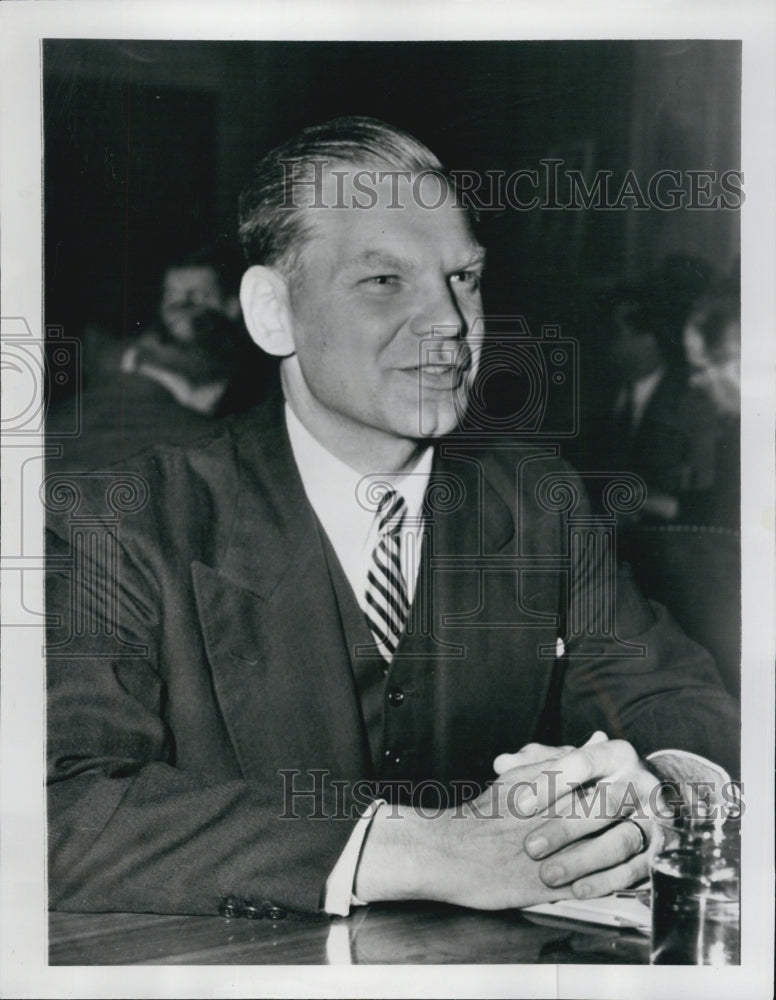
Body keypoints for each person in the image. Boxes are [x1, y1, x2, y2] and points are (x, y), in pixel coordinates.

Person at [46, 117, 738, 920]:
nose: (448, 321)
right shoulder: (125, 525)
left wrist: (655, 786)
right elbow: (58, 807)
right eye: (384, 282)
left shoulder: (540, 503)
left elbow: (680, 702)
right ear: (274, 312)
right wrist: (417, 848)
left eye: (464, 279)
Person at [46, 243, 275, 472]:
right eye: (171, 297)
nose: (181, 307)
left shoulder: (255, 381)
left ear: (232, 306)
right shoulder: (123, 359)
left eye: (198, 296)